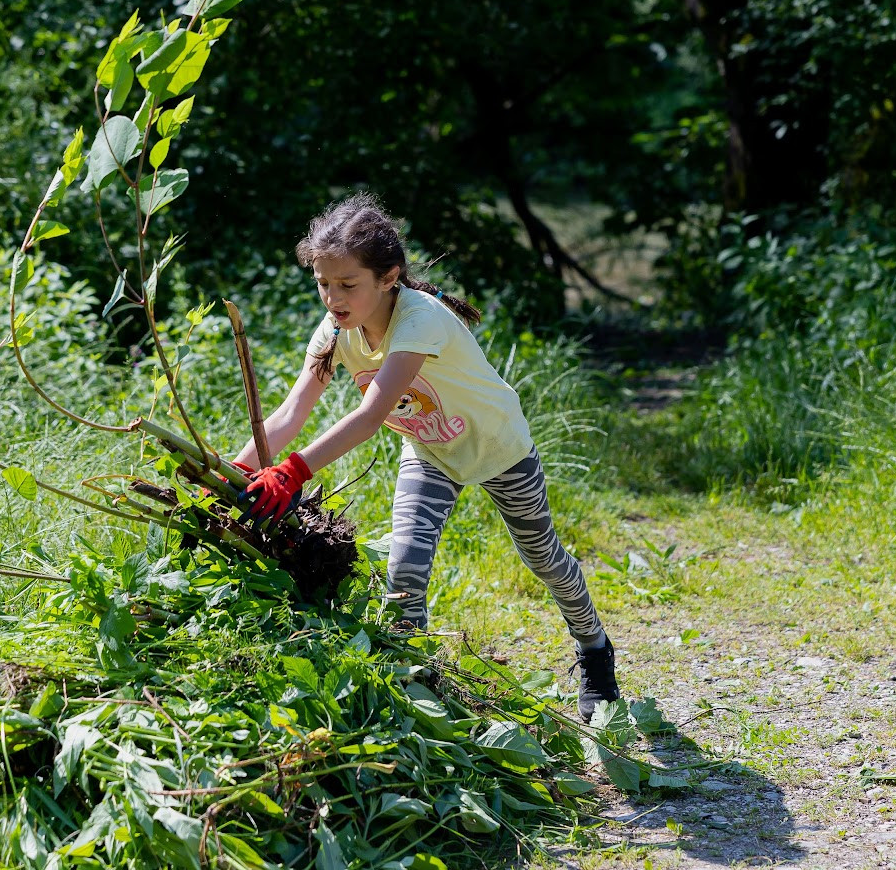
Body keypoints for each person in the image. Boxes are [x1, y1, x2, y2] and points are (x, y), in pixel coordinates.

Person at [236, 193, 620, 722]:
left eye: (348, 285)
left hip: (499, 448)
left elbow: (372, 415)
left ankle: (595, 650)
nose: (333, 297)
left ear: (389, 277)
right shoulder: (335, 333)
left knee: (543, 558)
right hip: (431, 452)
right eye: (323, 283)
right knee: (405, 568)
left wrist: (295, 470)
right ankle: (411, 690)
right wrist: (238, 470)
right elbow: (288, 414)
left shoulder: (419, 320)